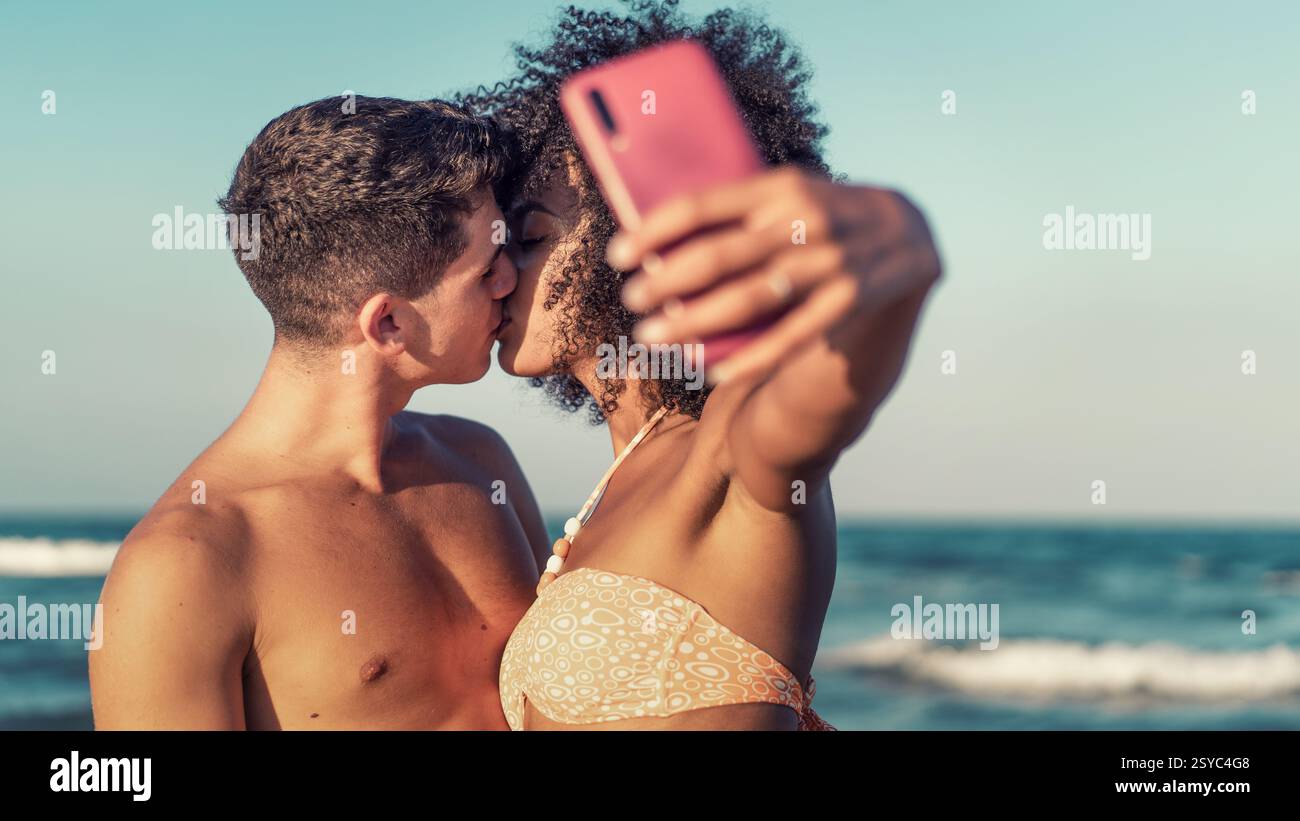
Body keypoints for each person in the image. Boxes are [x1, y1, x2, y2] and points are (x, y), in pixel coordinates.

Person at [463, 2, 942, 729]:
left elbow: (817, 407)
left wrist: (899, 248)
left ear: (637, 241)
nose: (499, 271)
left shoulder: (729, 434)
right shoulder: (623, 469)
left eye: (529, 237)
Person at [89, 97, 548, 729]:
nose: (511, 281)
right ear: (388, 322)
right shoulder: (187, 564)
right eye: (486, 267)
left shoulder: (481, 460)